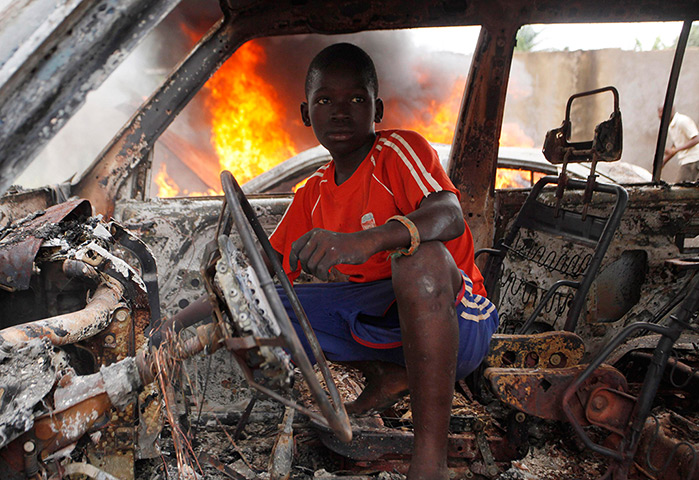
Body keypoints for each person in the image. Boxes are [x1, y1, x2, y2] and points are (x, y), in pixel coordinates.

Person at [269, 43, 498, 480]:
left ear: (378, 109)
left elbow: (449, 216)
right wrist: (187, 318)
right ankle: (390, 373)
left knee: (419, 259)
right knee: (262, 305)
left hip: (459, 319)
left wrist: (365, 241)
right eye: (324, 101)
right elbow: (267, 273)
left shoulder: (397, 152)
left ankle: (430, 463)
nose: (340, 112)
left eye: (356, 99)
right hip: (385, 324)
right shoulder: (312, 191)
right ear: (305, 113)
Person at [658, 106, 699, 182]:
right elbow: (676, 146)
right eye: (659, 113)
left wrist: (675, 150)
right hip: (686, 161)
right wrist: (663, 162)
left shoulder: (682, 121)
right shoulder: (671, 126)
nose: (660, 115)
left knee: (680, 188)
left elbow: (696, 139)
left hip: (693, 160)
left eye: (662, 112)